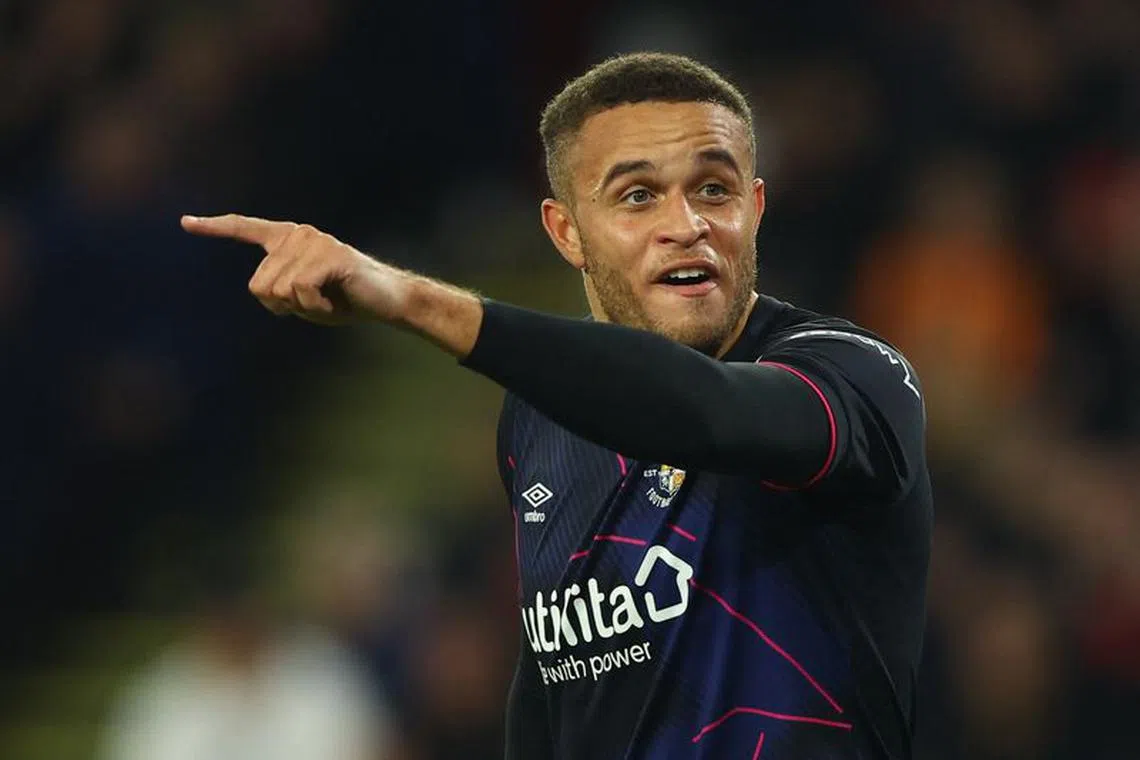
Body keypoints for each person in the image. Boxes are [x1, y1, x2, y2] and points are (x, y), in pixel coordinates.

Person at [182, 52, 932, 760]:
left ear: (755, 206)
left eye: (714, 188)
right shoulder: (537, 420)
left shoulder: (854, 375)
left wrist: (410, 299)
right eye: (638, 195)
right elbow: (554, 688)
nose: (687, 223)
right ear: (566, 231)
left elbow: (707, 413)